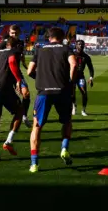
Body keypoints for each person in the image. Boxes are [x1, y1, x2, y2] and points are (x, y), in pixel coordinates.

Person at [26, 27, 76, 173]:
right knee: (67, 122)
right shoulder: (66, 48)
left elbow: (29, 71)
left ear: (49, 37)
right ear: (62, 37)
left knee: (37, 127)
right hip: (62, 90)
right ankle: (64, 148)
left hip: (43, 92)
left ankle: (34, 164)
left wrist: (40, 79)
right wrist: (71, 83)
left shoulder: (39, 50)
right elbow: (73, 64)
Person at [0, 36, 27, 162]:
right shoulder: (12, 51)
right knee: (19, 110)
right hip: (4, 87)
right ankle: (9, 141)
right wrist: (18, 80)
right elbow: (12, 62)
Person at [72, 40, 95, 116]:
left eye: (82, 44)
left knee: (84, 93)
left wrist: (91, 77)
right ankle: (74, 106)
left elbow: (91, 68)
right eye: (79, 44)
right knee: (72, 93)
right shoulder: (71, 54)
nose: (81, 46)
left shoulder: (86, 57)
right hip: (72, 77)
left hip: (80, 77)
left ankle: (83, 110)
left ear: (84, 46)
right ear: (76, 45)